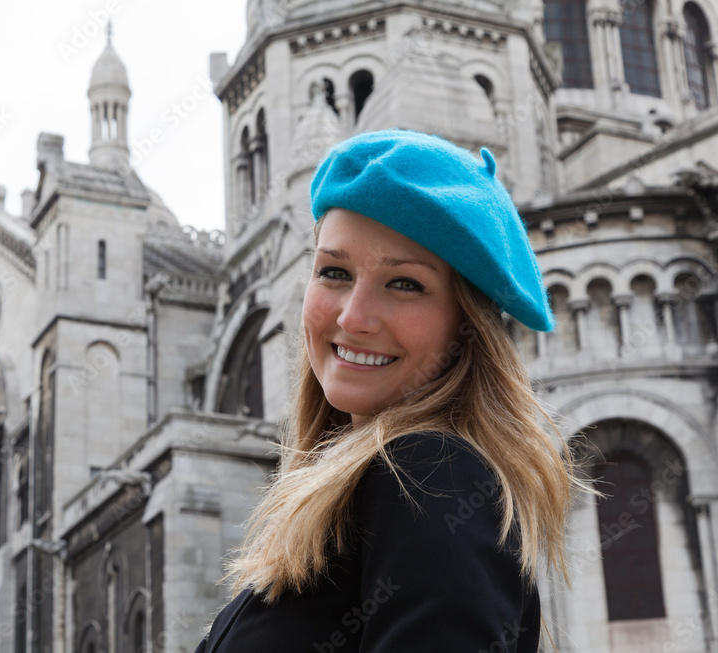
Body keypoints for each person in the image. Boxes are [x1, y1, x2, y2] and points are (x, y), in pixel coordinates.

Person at [194, 129, 578, 652]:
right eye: (333, 272)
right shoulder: (370, 485)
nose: (353, 317)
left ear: (467, 326)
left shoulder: (432, 471)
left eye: (405, 284)